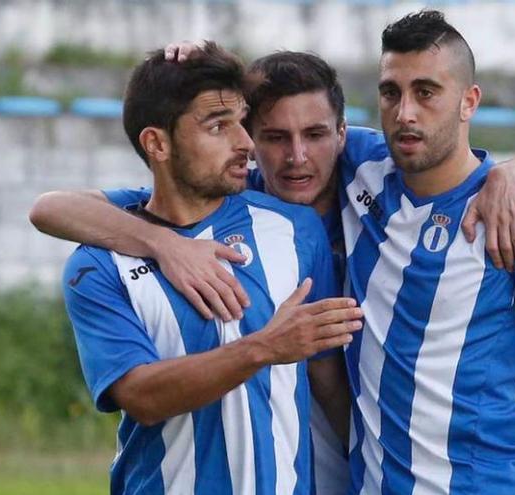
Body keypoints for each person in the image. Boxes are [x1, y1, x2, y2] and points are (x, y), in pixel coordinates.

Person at [30, 50, 515, 495]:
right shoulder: (155, 228)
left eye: (315, 135)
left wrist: (513, 172)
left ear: (342, 135)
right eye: (270, 136)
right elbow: (51, 208)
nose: (297, 156)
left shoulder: (346, 190)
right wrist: (162, 244)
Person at [334, 10, 515, 494]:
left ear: (469, 102)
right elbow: (269, 130)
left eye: (426, 92)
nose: (405, 112)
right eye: (390, 92)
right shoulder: (357, 166)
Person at [60, 43, 363, 495]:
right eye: (219, 127)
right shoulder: (99, 265)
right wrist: (263, 347)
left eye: (242, 123)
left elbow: (326, 378)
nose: (245, 143)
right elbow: (143, 397)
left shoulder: (294, 227)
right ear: (157, 143)